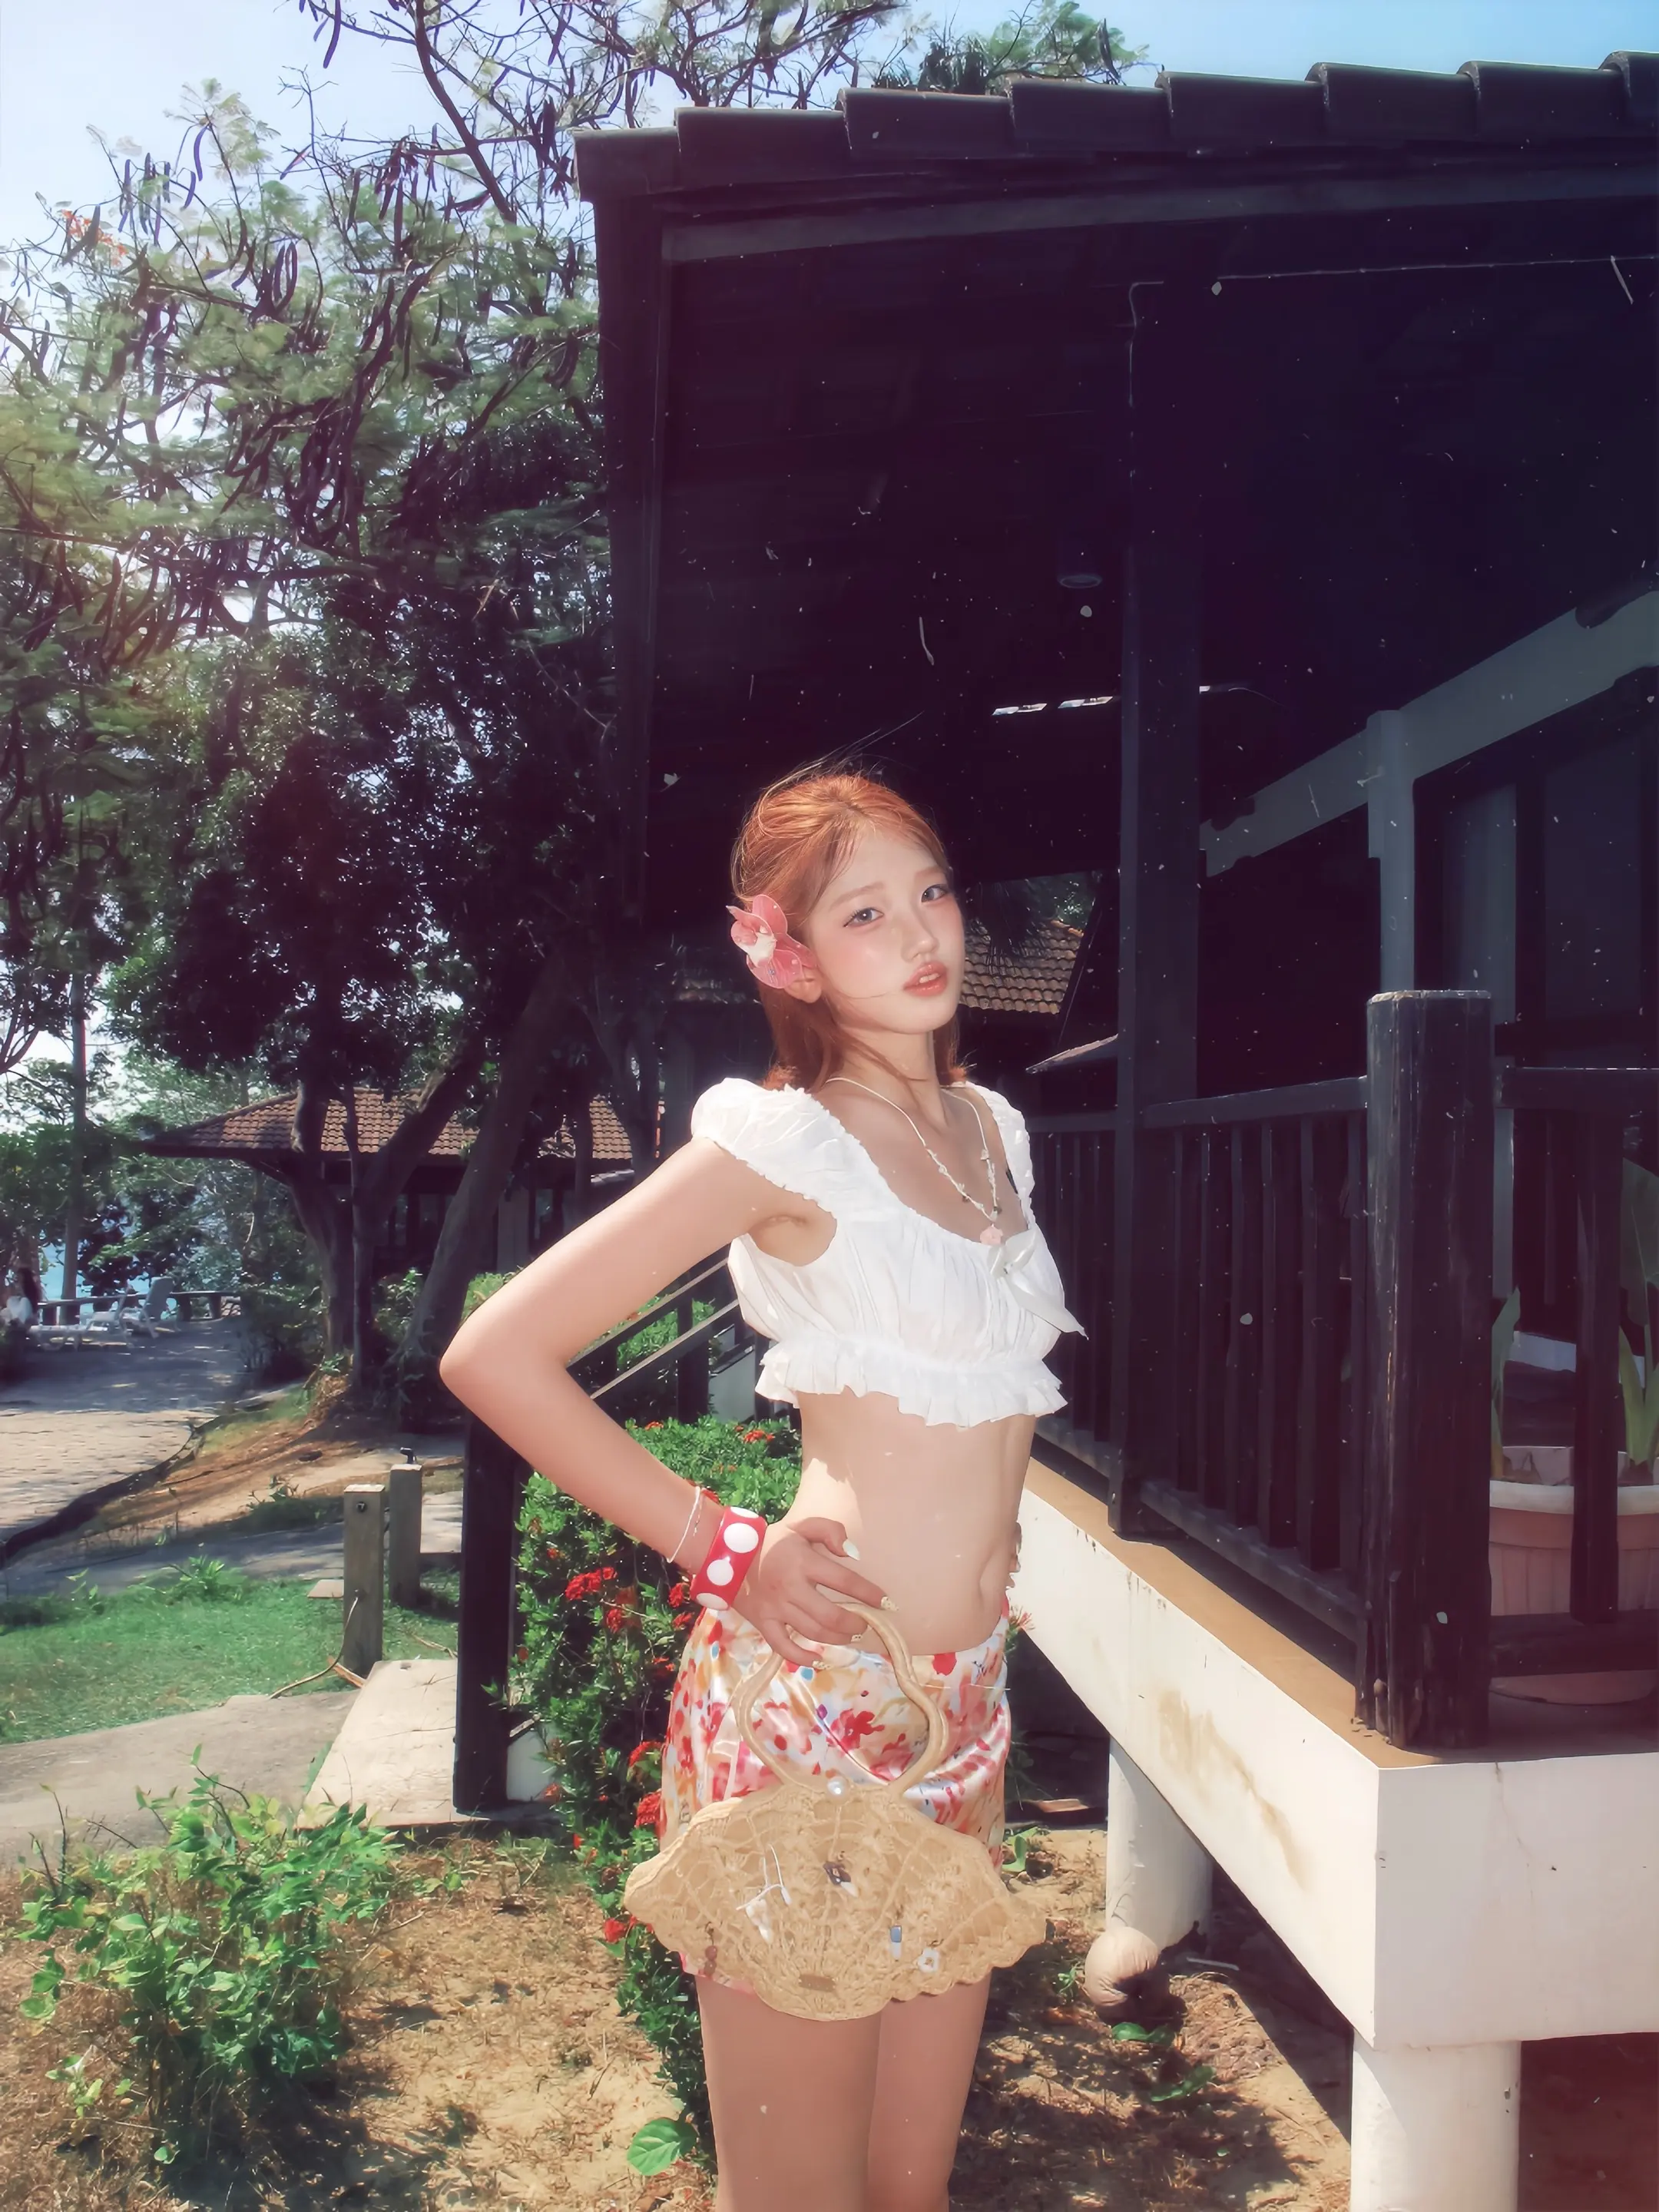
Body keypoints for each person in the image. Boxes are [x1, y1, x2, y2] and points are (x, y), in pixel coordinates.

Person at [441, 770, 1080, 2212]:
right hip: (815, 1708)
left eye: (930, 890)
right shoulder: (783, 1142)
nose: (919, 932)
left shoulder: (993, 1130)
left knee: (909, 2191)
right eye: (864, 912)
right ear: (789, 956)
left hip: (962, 1710)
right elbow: (496, 1354)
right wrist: (718, 1544)